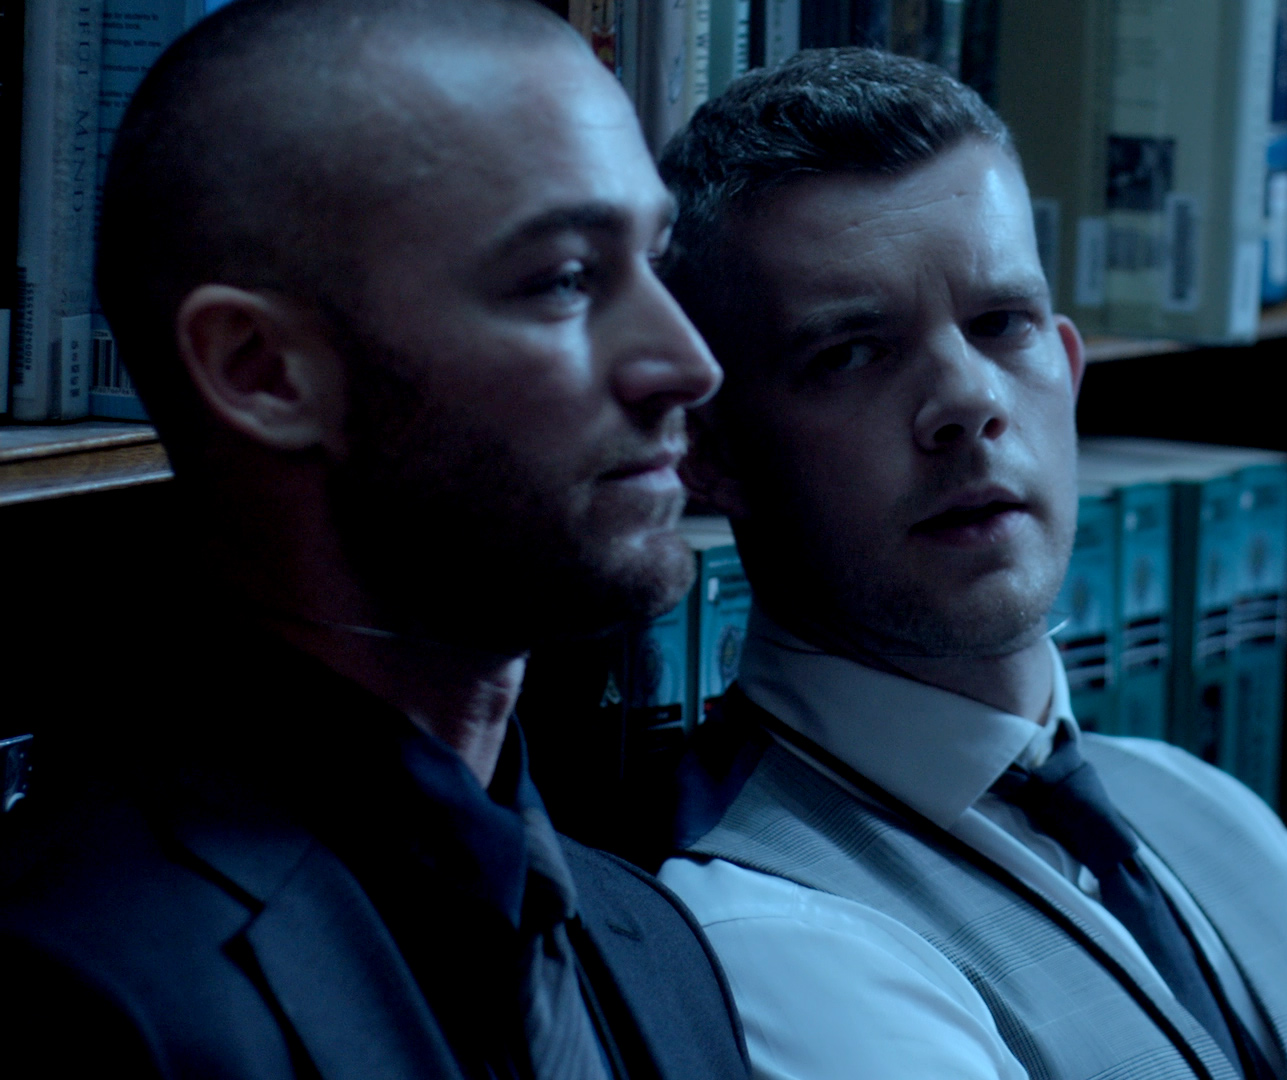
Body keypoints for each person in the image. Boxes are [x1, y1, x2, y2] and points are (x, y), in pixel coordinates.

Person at [650, 49, 1287, 1080]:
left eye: (1000, 325)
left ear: (1067, 371)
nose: (967, 401)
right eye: (852, 352)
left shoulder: (1195, 808)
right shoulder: (769, 934)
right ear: (708, 452)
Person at [0, 1, 748, 1077]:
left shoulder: (656, 949)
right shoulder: (77, 1001)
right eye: (565, 280)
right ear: (262, 371)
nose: (689, 364)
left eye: (657, 262)